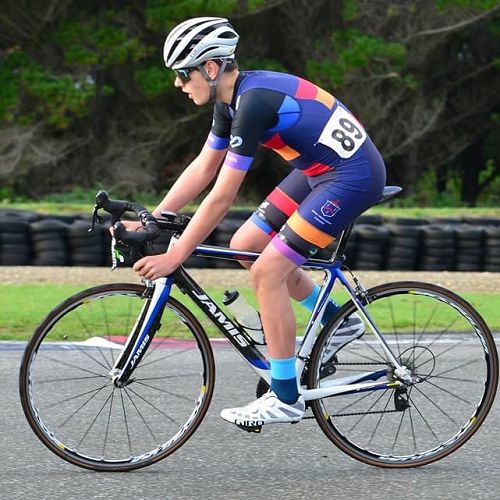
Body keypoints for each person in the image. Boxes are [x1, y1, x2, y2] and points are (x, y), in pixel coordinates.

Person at [132, 17, 386, 428]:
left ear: (210, 69)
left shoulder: (253, 104)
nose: (178, 84)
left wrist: (177, 254)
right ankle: (338, 322)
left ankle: (285, 398)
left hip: (351, 176)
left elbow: (222, 195)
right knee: (245, 244)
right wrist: (153, 221)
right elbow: (202, 169)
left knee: (268, 272)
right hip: (320, 170)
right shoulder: (229, 101)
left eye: (183, 73)